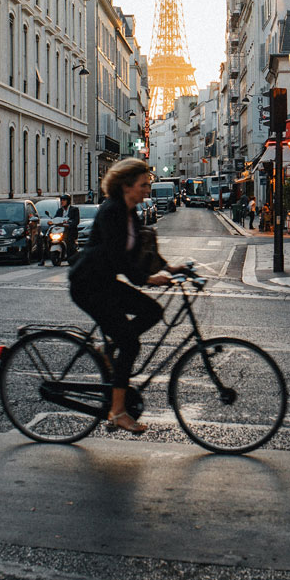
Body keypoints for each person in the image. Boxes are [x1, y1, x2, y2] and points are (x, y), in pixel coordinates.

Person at [68, 158, 185, 434]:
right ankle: (118, 412)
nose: (148, 189)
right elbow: (117, 257)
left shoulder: (131, 212)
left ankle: (110, 347)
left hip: (105, 283)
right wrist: (147, 279)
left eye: (148, 184)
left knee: (153, 311)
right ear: (126, 186)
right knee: (130, 344)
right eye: (144, 185)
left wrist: (170, 268)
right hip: (89, 286)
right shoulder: (112, 212)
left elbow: (144, 249)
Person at [51, 193, 80, 261]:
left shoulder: (74, 210)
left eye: (64, 200)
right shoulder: (59, 210)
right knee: (47, 237)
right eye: (61, 200)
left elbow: (76, 221)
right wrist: (51, 221)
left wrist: (70, 224)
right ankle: (43, 258)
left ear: (68, 201)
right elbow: (56, 218)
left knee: (69, 241)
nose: (62, 202)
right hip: (60, 230)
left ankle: (70, 254)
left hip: (70, 231)